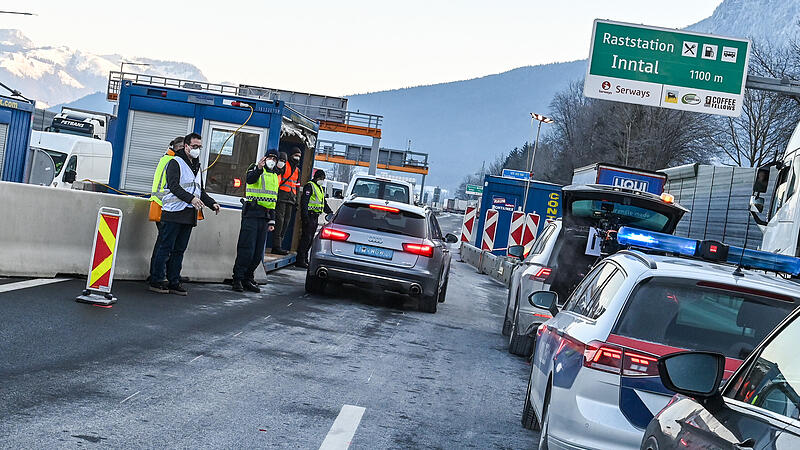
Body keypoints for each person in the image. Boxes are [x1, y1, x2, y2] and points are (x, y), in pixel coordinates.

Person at [149, 132, 220, 296]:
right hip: (174, 212)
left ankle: (174, 281)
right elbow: (173, 186)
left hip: (188, 214)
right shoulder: (175, 162)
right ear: (186, 146)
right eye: (194, 146)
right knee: (165, 247)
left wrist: (211, 203)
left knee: (179, 250)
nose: (197, 149)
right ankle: (157, 280)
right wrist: (191, 199)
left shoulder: (196, 165)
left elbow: (199, 190)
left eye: (199, 147)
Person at [232, 150, 279, 292]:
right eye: (270, 157)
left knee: (258, 252)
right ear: (265, 158)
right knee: (247, 249)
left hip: (264, 217)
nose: (272, 160)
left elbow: (273, 201)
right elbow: (250, 179)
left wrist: (272, 221)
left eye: (274, 159)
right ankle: (238, 279)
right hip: (252, 214)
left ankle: (248, 278)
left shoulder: (275, 175)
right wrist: (259, 168)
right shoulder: (255, 168)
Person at [148, 136, 184, 280]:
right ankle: (158, 275)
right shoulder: (172, 162)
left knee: (163, 243)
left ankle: (160, 274)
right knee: (165, 245)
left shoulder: (167, 159)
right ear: (177, 147)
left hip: (161, 204)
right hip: (164, 206)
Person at [296, 169, 332, 268]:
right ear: (316, 177)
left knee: (310, 239)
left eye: (323, 178)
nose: (322, 180)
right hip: (309, 215)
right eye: (321, 178)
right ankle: (300, 259)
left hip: (315, 216)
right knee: (306, 238)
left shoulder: (320, 188)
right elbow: (304, 202)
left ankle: (304, 259)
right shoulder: (310, 186)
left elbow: (323, 203)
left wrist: (330, 212)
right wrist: (305, 217)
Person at [271, 147, 301, 255]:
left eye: (299, 156)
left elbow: (297, 186)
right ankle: (276, 246)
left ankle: (280, 244)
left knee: (286, 223)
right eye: (296, 155)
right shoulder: (285, 165)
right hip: (282, 197)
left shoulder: (297, 170)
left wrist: (297, 201)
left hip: (291, 199)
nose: (297, 158)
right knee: (280, 221)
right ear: (291, 155)